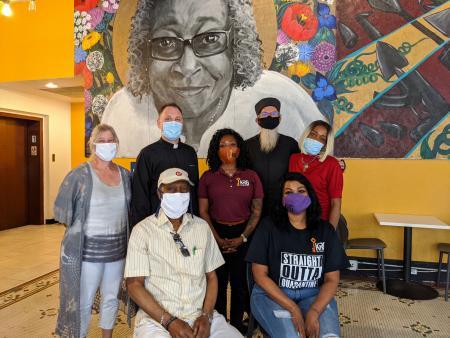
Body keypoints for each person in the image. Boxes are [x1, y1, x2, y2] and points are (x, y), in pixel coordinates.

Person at [101, 0, 323, 157]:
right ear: (144, 49)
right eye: (166, 43)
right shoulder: (123, 112)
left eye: (209, 39)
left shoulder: (286, 100)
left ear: (237, 44)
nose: (187, 68)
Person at [125, 168, 242, 338]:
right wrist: (169, 321)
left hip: (199, 316)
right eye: (171, 189)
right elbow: (134, 285)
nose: (178, 194)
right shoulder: (143, 231)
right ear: (159, 193)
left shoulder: (202, 228)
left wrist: (206, 316)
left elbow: (211, 277)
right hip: (157, 320)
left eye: (183, 189)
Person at [246, 172, 349, 338]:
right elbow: (259, 275)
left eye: (301, 191)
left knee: (329, 336)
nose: (295, 195)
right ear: (282, 199)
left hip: (314, 294)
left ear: (310, 195)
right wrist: (292, 308)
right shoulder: (268, 227)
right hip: (272, 295)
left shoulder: (325, 230)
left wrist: (314, 311)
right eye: (288, 192)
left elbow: (332, 279)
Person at [54, 124, 131, 338]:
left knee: (110, 297)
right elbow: (63, 214)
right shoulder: (79, 175)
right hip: (88, 254)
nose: (107, 145)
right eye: (102, 140)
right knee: (83, 300)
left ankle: (107, 336)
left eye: (111, 140)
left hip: (117, 252)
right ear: (93, 145)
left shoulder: (125, 176)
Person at [198, 128, 263, 333]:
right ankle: (218, 325)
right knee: (217, 282)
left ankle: (235, 326)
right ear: (215, 150)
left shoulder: (250, 176)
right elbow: (203, 211)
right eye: (222, 145)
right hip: (215, 232)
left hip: (244, 234)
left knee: (239, 284)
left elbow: (256, 210)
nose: (228, 148)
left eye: (232, 144)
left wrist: (242, 237)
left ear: (239, 148)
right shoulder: (208, 177)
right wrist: (217, 238)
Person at [131, 104, 199, 226]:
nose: (173, 122)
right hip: (157, 223)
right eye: (168, 119)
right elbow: (140, 196)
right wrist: (140, 228)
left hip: (186, 222)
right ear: (159, 123)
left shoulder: (190, 153)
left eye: (177, 119)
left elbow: (193, 192)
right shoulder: (147, 154)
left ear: (182, 123)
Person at [245, 97, 300, 217]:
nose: (270, 117)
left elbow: (298, 175)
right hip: (254, 207)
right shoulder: (247, 146)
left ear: (280, 118)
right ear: (257, 119)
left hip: (283, 206)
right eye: (265, 114)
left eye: (274, 113)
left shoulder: (290, 144)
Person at [289, 120, 343, 228]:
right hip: (294, 222)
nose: (316, 139)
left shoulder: (332, 164)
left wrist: (329, 234)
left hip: (320, 223)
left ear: (326, 144)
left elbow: (335, 204)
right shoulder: (294, 159)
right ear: (306, 134)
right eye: (313, 134)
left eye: (322, 138)